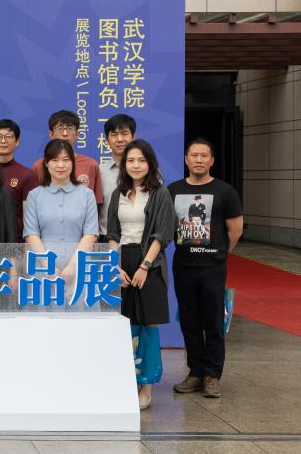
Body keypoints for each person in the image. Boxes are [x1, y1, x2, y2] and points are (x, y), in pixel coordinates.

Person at [104, 139, 176, 410]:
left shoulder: (160, 193)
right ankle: (125, 381)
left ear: (150, 164)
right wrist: (115, 266)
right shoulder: (118, 194)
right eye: (131, 160)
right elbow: (112, 233)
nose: (136, 165)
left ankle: (146, 386)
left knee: (148, 324)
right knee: (124, 323)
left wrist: (145, 266)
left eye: (141, 161)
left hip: (150, 263)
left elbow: (162, 234)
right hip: (122, 261)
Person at [169, 138, 243, 399]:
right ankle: (196, 371)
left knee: (213, 322)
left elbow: (236, 230)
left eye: (204, 156)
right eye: (194, 155)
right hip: (183, 265)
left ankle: (213, 375)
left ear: (211, 161)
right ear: (186, 159)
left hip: (212, 267)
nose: (198, 160)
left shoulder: (225, 191)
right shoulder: (173, 190)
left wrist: (220, 254)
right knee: (189, 321)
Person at [23, 139, 99, 285]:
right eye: (55, 160)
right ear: (46, 163)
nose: (61, 165)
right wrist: (48, 266)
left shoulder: (87, 195)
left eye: (66, 160)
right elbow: (31, 234)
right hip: (43, 269)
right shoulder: (34, 195)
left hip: (79, 267)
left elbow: (90, 234)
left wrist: (73, 266)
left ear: (73, 163)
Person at [32, 110, 104, 217]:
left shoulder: (91, 165)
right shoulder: (39, 166)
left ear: (77, 134)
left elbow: (97, 204)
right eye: (60, 128)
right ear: (51, 134)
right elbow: (33, 204)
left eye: (70, 128)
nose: (65, 133)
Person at [0, 119, 36, 240]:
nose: (3, 140)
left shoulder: (27, 175)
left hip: (15, 241)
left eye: (9, 136)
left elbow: (30, 219)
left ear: (17, 142)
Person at [100, 114, 137, 239]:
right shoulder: (98, 172)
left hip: (138, 239)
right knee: (100, 253)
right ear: (107, 140)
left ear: (133, 137)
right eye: (114, 134)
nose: (120, 139)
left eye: (124, 133)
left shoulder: (148, 171)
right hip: (104, 239)